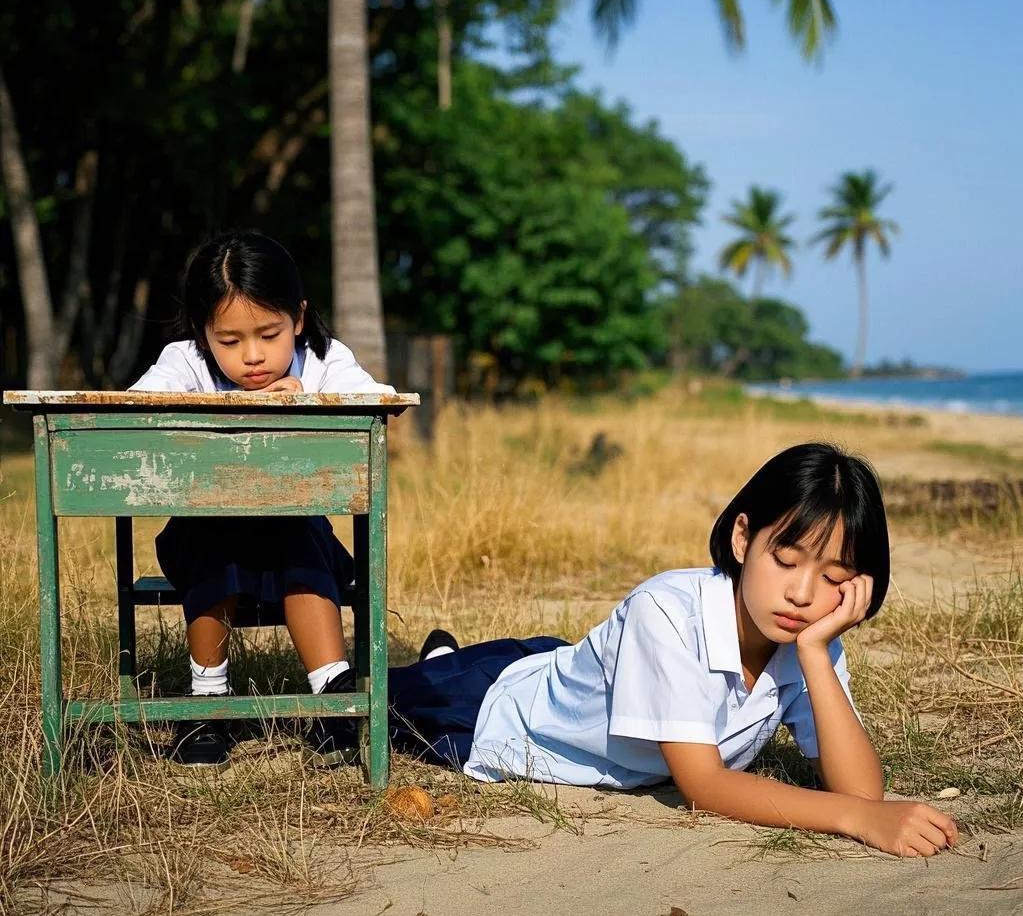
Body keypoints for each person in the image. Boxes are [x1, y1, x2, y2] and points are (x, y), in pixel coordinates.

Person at [387, 443, 959, 858]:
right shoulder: (665, 613)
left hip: (575, 677)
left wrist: (814, 651)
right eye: (785, 561)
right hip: (490, 708)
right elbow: (705, 787)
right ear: (742, 538)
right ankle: (441, 663)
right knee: (343, 708)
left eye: (834, 576)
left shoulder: (807, 633)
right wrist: (859, 821)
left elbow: (861, 788)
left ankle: (443, 654)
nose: (803, 593)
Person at [128, 230, 394, 769]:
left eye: (269, 334)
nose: (252, 356)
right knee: (212, 538)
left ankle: (331, 696)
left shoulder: (322, 360)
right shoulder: (184, 363)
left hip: (294, 533)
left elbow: (382, 402)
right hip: (205, 534)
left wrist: (313, 400)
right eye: (228, 341)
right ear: (204, 333)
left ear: (297, 318)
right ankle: (208, 701)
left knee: (301, 537)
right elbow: (135, 411)